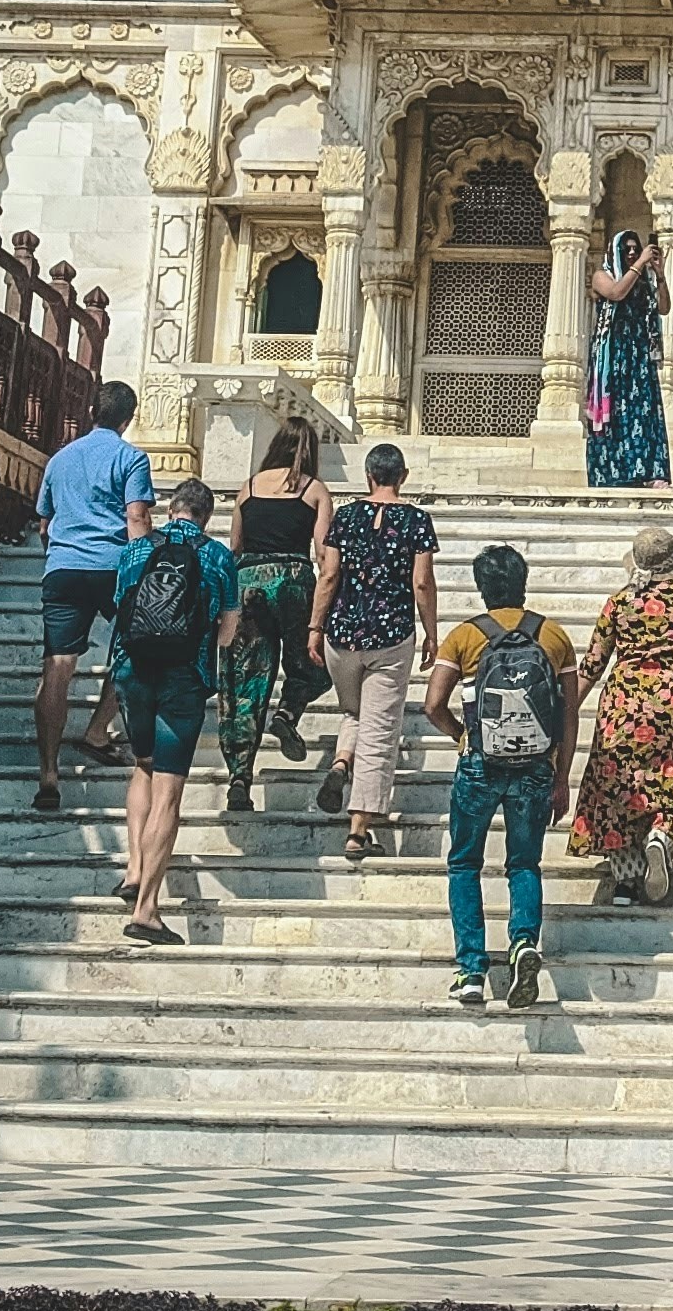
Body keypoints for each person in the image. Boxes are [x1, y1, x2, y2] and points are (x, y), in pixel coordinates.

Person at [422, 541, 584, 1011]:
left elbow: (432, 706)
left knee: (464, 863)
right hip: (535, 766)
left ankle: (472, 970)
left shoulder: (465, 636)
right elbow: (568, 714)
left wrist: (462, 735)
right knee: (524, 864)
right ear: (523, 583)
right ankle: (523, 944)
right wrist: (562, 776)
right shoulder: (553, 636)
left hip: (480, 763)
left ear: (481, 588)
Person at [569, 527, 673, 906]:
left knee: (618, 784)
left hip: (621, 706)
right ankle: (662, 834)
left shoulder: (617, 604)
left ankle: (625, 884)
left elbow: (592, 665)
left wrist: (566, 712)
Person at [106, 477, 240, 945]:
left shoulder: (137, 550)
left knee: (142, 765)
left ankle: (133, 868)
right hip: (184, 677)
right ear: (207, 517)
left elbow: (120, 607)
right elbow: (227, 631)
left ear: (170, 510)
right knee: (168, 791)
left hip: (133, 671)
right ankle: (146, 911)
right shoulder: (217, 556)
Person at [306, 443, 439, 864]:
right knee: (379, 731)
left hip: (342, 633)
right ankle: (358, 831)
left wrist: (315, 627)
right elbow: (422, 582)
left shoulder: (345, 516)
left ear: (368, 476)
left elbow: (329, 574)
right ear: (403, 476)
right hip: (390, 636)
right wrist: (432, 632)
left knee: (355, 712)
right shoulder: (416, 520)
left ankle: (342, 762)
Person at [31, 379, 155, 812]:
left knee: (57, 667)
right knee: (134, 650)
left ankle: (49, 774)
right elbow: (137, 517)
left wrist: (59, 556)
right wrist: (144, 567)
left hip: (64, 567)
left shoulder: (60, 459)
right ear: (128, 419)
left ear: (90, 413)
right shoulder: (131, 458)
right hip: (113, 567)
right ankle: (98, 730)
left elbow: (44, 524)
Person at [218, 418, 332, 813]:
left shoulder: (248, 487)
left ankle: (239, 777)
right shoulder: (314, 490)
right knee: (314, 664)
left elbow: (235, 545)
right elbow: (324, 553)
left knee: (244, 683)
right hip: (293, 579)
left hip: (248, 581)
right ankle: (287, 712)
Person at [586, 226, 671, 490]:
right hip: (613, 357)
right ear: (615, 252)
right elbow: (616, 293)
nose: (632, 253)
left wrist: (659, 275)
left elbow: (664, 308)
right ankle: (612, 474)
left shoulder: (642, 282)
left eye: (636, 249)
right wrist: (640, 264)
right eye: (627, 249)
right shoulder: (602, 276)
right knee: (615, 413)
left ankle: (648, 472)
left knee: (643, 412)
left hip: (638, 356)